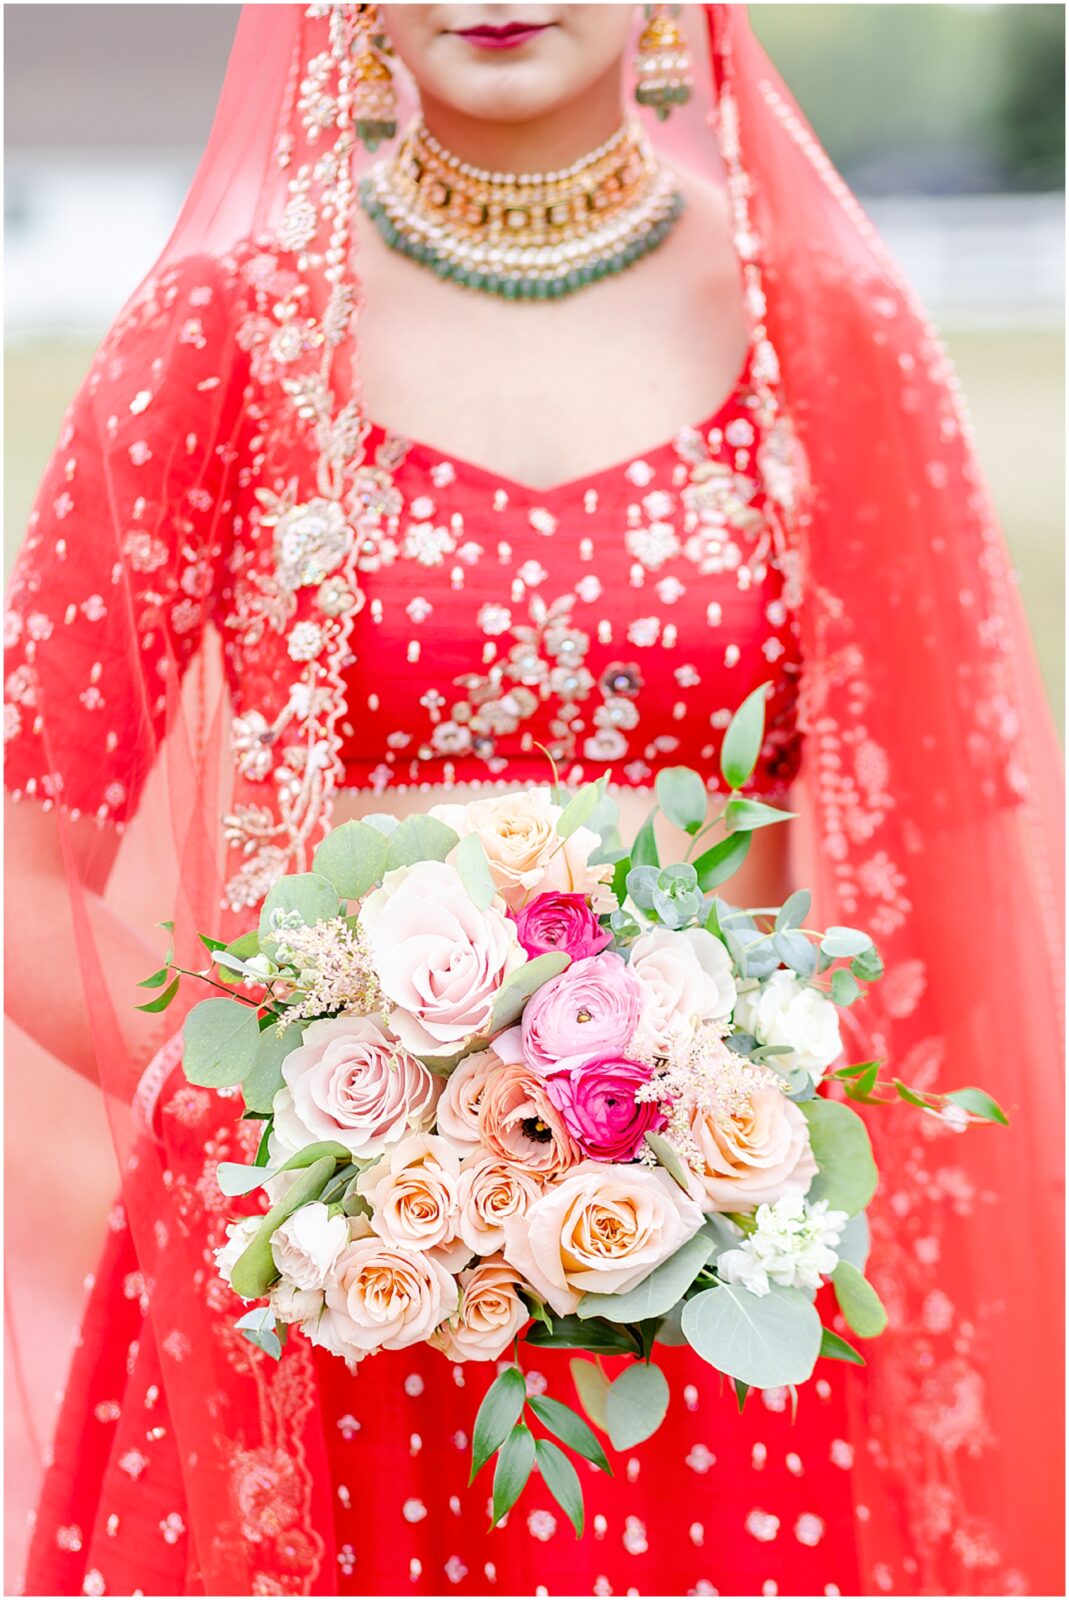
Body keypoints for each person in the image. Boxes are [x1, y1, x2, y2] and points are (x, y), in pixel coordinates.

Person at [3, 7, 1062, 1596]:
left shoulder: (824, 331)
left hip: (718, 1327)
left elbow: (959, 884)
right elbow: (21, 851)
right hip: (324, 1317)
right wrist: (306, 1124)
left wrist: (726, 1130)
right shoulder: (230, 334)